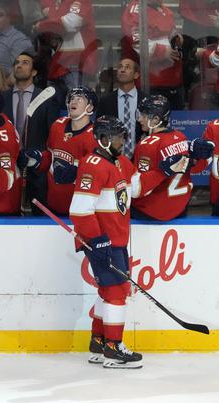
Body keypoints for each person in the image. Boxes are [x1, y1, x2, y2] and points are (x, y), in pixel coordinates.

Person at [69, 115, 142, 368]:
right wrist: (98, 241)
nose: (123, 141)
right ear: (103, 139)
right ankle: (113, 348)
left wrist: (163, 170)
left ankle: (98, 344)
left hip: (116, 240)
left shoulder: (121, 161)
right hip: (103, 241)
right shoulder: (93, 165)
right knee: (116, 292)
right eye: (118, 137)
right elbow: (79, 210)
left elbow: (135, 190)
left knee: (109, 291)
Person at [131, 95, 215, 220]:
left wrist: (161, 172)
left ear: (155, 119)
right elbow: (195, 168)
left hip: (152, 211)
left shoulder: (147, 145)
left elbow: (138, 190)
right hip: (180, 208)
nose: (140, 119)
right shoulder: (180, 137)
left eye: (143, 115)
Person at [19, 86, 99, 216]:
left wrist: (77, 174)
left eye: (80, 99)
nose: (74, 101)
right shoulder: (58, 126)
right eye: (72, 98)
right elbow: (51, 157)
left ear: (90, 108)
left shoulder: (94, 137)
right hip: (52, 207)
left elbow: (98, 175)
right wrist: (36, 159)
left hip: (80, 212)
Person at [1, 50, 61, 214]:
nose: (19, 65)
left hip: (37, 171)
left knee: (39, 215)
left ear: (34, 72)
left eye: (25, 62)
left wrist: (42, 159)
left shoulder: (46, 97)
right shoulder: (2, 98)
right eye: (17, 63)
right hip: (8, 168)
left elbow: (54, 134)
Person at [121, 0, 184, 109]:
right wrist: (164, 51)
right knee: (150, 120)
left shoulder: (164, 9)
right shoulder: (135, 10)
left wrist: (177, 39)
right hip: (149, 82)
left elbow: (172, 33)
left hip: (171, 80)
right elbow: (138, 44)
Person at [34, 0, 98, 92]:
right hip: (56, 65)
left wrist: (41, 26)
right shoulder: (58, 3)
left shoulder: (81, 2)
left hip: (75, 65)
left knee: (76, 100)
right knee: (55, 103)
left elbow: (70, 23)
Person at [96, 58, 143, 158]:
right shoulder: (105, 101)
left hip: (140, 159)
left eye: (127, 67)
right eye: (120, 67)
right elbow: (99, 131)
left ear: (136, 75)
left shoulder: (145, 100)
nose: (122, 70)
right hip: (112, 159)